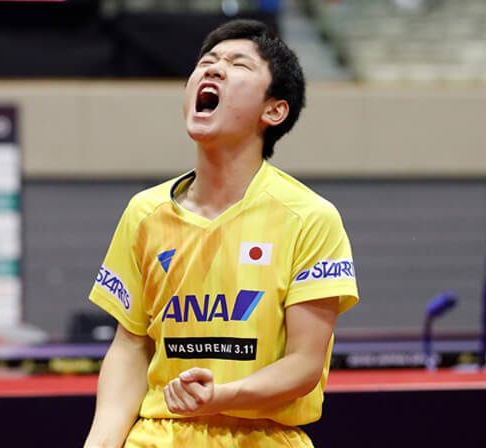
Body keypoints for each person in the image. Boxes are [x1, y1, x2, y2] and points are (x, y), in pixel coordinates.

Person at [84, 19, 359, 448]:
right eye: (207, 61)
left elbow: (305, 363)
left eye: (238, 64)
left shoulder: (308, 218)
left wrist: (220, 397)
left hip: (265, 437)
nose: (213, 69)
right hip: (158, 437)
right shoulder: (145, 213)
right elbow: (130, 348)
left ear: (274, 110)